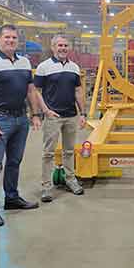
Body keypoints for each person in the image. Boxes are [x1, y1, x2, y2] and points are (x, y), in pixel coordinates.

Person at [0, 25, 41, 228]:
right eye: (7, 37)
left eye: (14, 37)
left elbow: (30, 91)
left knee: (14, 161)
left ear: (18, 41)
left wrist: (35, 114)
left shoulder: (24, 61)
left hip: (21, 120)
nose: (10, 40)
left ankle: (11, 198)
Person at [34, 35, 86, 202]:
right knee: (48, 153)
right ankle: (46, 187)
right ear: (53, 47)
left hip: (71, 115)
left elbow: (78, 91)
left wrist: (83, 113)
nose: (63, 48)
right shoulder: (44, 67)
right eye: (60, 45)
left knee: (69, 151)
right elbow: (36, 91)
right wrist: (45, 110)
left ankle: (71, 180)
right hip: (53, 117)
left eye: (65, 45)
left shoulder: (74, 68)